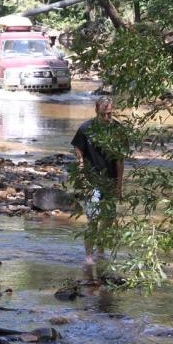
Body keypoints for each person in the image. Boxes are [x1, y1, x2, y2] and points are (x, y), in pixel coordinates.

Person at [70, 96, 124, 273]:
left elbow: (120, 160)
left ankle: (100, 248)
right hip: (92, 181)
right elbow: (79, 155)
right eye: (104, 114)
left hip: (110, 181)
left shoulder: (118, 130)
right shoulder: (85, 129)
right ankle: (88, 256)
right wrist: (83, 179)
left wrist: (119, 186)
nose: (107, 117)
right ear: (96, 111)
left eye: (110, 114)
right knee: (93, 218)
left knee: (109, 218)